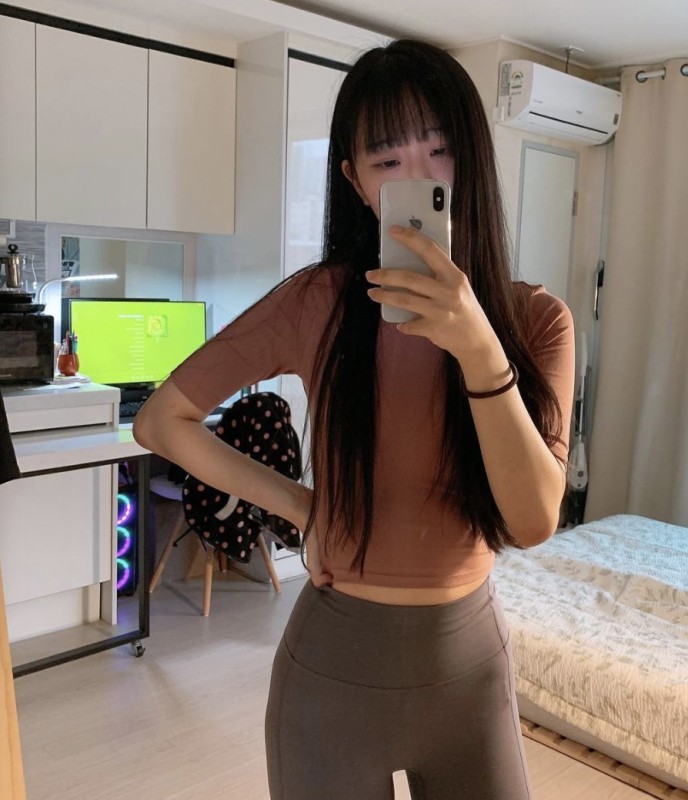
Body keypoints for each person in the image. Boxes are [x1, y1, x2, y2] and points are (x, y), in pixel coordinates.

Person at [134, 38, 574, 800]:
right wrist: (301, 506)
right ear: (356, 183)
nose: (418, 177)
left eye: (438, 150)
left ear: (473, 157)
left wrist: (477, 347)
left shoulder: (535, 322)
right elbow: (162, 420)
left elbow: (532, 521)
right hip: (330, 677)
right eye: (387, 160)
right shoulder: (319, 302)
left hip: (470, 677)